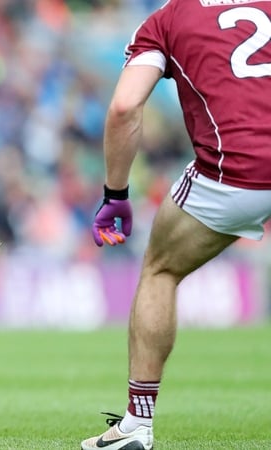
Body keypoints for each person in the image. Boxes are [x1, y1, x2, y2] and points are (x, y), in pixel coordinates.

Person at [82, 1, 271, 449]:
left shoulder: (167, 20)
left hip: (235, 173)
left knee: (160, 271)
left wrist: (115, 194)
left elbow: (124, 106)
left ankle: (137, 424)